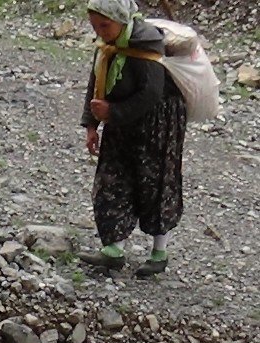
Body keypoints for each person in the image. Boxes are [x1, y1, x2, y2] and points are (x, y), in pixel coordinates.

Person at [78, 0, 187, 278]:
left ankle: (159, 253)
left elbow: (151, 94)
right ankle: (114, 250)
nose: (100, 32)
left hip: (157, 126)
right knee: (112, 179)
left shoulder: (145, 46)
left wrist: (113, 111)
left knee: (156, 182)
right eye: (95, 26)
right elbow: (96, 83)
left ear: (122, 20)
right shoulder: (107, 48)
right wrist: (92, 125)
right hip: (120, 124)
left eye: (105, 25)